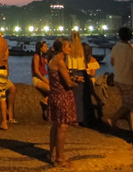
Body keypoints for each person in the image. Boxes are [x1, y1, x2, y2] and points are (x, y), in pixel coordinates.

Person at [47, 38, 81, 168]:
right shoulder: (60, 61)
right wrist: (77, 83)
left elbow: (61, 77)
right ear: (62, 48)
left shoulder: (52, 60)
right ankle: (60, 158)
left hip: (55, 95)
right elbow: (68, 83)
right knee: (62, 127)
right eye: (68, 46)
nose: (70, 49)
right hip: (62, 97)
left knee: (56, 125)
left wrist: (72, 78)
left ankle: (52, 154)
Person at [107, 27, 133, 132]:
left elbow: (113, 63)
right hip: (128, 80)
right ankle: (113, 119)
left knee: (126, 104)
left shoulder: (115, 47)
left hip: (117, 78)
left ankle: (132, 126)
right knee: (131, 104)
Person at [67, 31, 87, 124]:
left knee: (72, 97)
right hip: (81, 73)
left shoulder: (70, 47)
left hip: (72, 72)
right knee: (80, 98)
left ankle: (72, 118)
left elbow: (68, 62)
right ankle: (80, 118)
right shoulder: (81, 48)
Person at [82, 43, 104, 107]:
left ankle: (95, 97)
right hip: (84, 78)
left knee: (88, 81)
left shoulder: (92, 60)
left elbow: (93, 74)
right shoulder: (79, 60)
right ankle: (96, 97)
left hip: (89, 78)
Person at [32, 40, 50, 104]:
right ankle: (45, 100)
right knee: (51, 90)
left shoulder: (42, 57)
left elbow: (49, 63)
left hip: (42, 77)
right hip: (37, 79)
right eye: (45, 47)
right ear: (40, 48)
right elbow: (36, 71)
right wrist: (44, 80)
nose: (46, 48)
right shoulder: (36, 56)